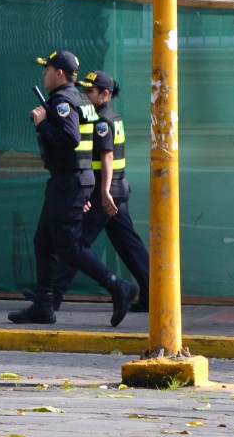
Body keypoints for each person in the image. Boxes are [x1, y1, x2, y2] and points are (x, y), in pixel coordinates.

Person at [8, 51, 138, 327]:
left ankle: (118, 287)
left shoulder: (63, 100)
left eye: (48, 69)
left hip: (70, 181)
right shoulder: (80, 99)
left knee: (69, 246)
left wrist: (42, 124)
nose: (43, 73)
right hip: (74, 180)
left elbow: (69, 138)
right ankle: (44, 304)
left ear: (59, 73)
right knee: (44, 242)